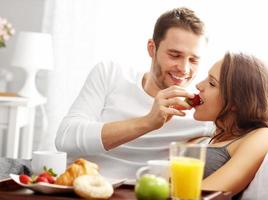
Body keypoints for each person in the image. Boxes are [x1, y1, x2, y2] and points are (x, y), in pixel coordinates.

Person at [55, 7, 212, 180]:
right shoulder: (111, 74)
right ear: (152, 49)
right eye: (174, 55)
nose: (184, 69)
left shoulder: (201, 114)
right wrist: (148, 122)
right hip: (77, 189)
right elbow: (65, 138)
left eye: (194, 60)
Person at [188, 52, 268, 198]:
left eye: (212, 83)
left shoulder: (263, 136)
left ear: (236, 102)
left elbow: (205, 195)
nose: (198, 85)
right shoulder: (201, 138)